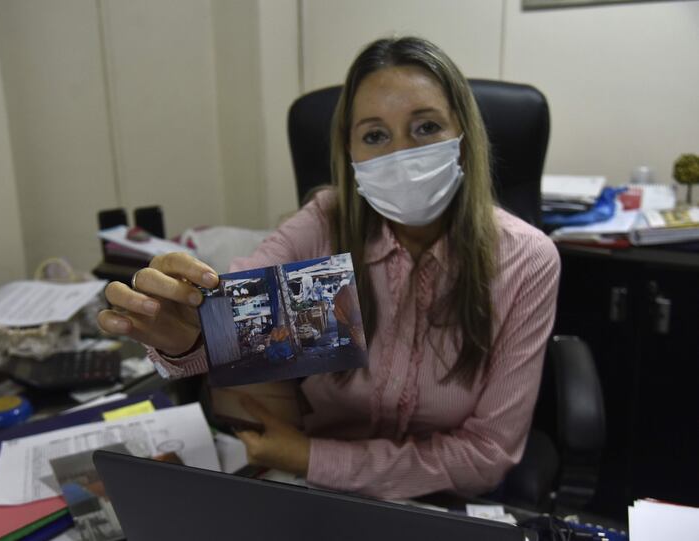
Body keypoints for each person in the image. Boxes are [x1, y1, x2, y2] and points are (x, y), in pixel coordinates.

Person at [97, 36, 560, 500]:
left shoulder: (524, 260)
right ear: (350, 152)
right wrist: (191, 334)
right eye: (375, 135)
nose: (400, 154)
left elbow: (486, 455)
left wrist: (309, 457)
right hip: (319, 495)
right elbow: (229, 325)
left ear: (462, 137)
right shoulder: (324, 226)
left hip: (438, 499)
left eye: (425, 127)